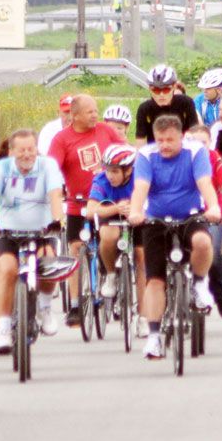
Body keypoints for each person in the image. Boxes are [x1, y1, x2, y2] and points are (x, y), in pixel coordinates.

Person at [128, 115, 222, 360]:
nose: (165, 145)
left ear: (181, 136)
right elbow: (140, 188)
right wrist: (137, 212)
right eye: (160, 140)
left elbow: (205, 183)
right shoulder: (147, 155)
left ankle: (199, 283)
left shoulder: (195, 152)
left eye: (170, 140)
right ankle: (154, 337)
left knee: (202, 242)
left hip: (189, 216)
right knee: (155, 281)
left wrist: (213, 207)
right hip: (156, 220)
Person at [0, 129, 66, 352]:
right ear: (12, 151)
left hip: (41, 231)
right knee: (6, 270)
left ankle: (45, 307)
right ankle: (3, 326)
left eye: (31, 149)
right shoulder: (1, 168)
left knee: (48, 264)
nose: (27, 154)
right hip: (9, 232)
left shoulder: (47, 166)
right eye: (21, 150)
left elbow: (55, 194)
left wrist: (57, 219)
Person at [47, 94, 124, 327]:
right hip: (78, 204)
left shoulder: (106, 131)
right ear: (75, 115)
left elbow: (125, 155)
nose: (95, 115)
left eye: (96, 110)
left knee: (109, 244)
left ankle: (113, 285)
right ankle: (74, 304)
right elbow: (51, 169)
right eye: (89, 111)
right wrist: (54, 195)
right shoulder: (62, 139)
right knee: (76, 249)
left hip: (107, 203)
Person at [85, 144, 149, 338]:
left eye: (115, 171)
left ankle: (144, 317)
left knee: (141, 257)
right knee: (109, 235)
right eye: (108, 170)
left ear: (128, 170)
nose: (110, 175)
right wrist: (116, 209)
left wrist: (139, 211)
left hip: (137, 217)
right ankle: (111, 274)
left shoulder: (141, 177)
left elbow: (154, 202)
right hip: (111, 215)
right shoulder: (101, 180)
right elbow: (90, 211)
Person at [186, 124, 222, 317]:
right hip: (185, 216)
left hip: (212, 216)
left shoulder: (215, 160)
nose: (198, 146)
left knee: (213, 252)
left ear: (210, 143)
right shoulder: (180, 158)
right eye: (193, 142)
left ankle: (219, 292)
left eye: (203, 142)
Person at [134, 65, 199, 146]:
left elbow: (195, 133)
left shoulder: (186, 102)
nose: (161, 95)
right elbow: (141, 141)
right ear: (150, 89)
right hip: (156, 152)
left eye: (166, 89)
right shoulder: (144, 109)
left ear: (174, 87)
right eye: (156, 90)